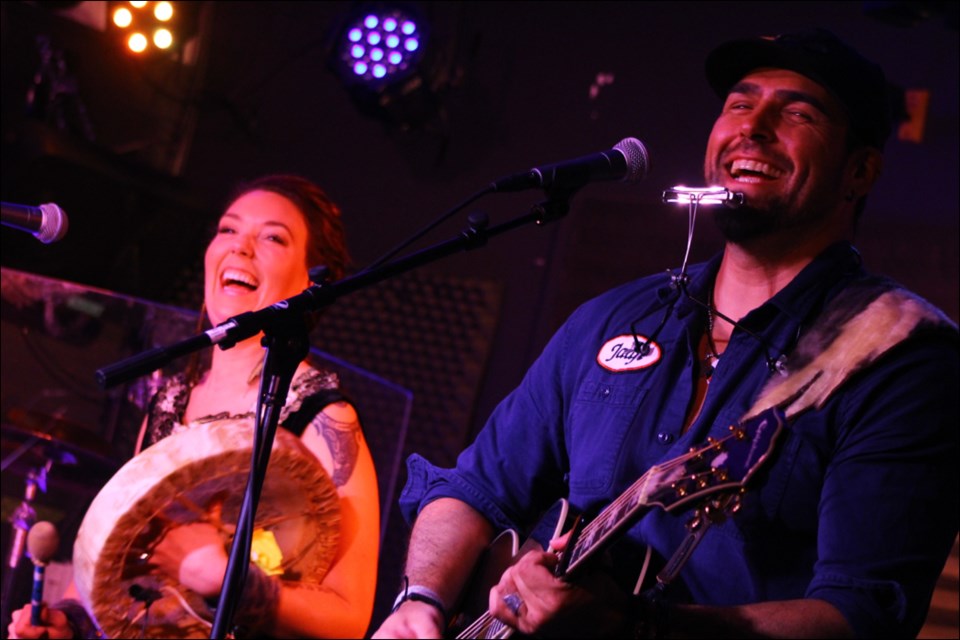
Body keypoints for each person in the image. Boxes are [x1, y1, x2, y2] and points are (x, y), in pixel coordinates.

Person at [371, 28, 958, 639]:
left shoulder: (899, 357)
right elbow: (475, 487)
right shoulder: (612, 318)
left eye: (797, 113)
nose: (751, 127)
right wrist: (422, 601)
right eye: (738, 103)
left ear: (859, 172)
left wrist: (635, 625)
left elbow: (861, 618)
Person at [8, 174, 380, 639]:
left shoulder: (322, 414)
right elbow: (125, 565)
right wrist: (73, 620)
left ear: (311, 281)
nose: (240, 248)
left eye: (272, 237)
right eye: (227, 229)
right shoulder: (169, 403)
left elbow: (349, 618)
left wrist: (226, 579)